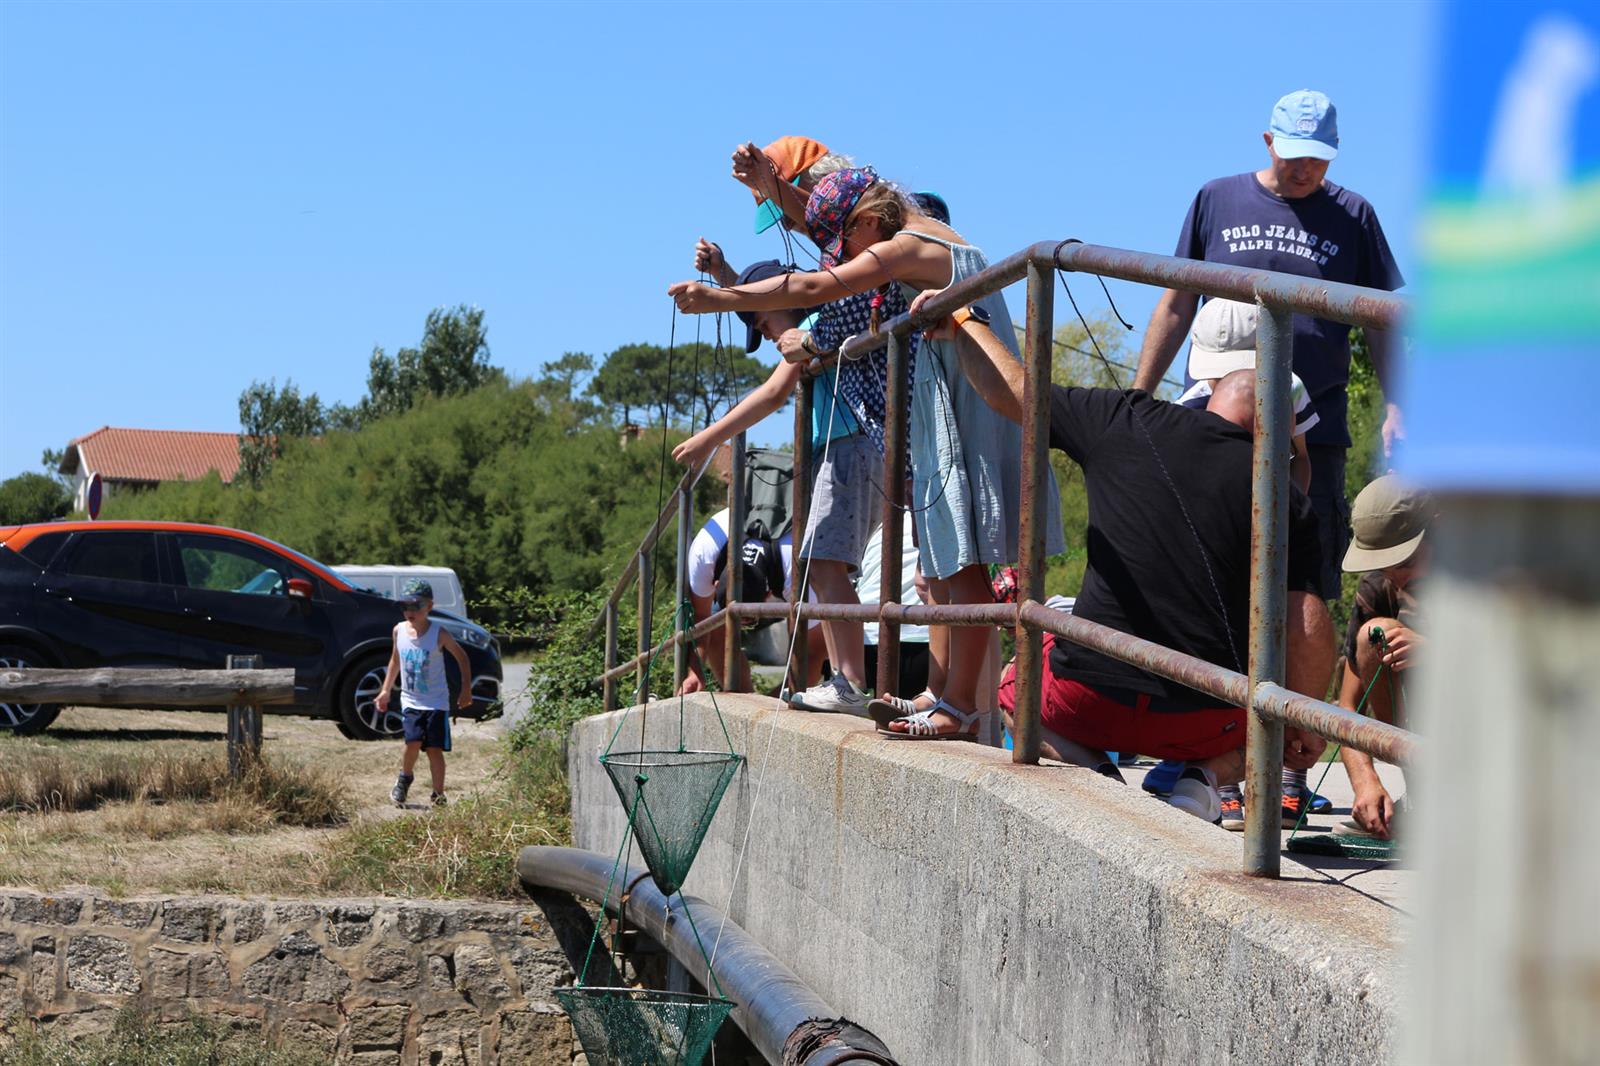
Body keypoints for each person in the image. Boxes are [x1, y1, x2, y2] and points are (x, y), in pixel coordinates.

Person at [669, 167, 1067, 741]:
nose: (840, 259)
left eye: (843, 244)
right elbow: (824, 245)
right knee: (948, 566)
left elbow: (811, 288)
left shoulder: (906, 245)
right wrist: (770, 187)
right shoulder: (906, 233)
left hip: (963, 406)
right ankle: (946, 697)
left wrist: (718, 297)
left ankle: (958, 706)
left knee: (964, 564)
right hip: (948, 404)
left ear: (868, 222)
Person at [927, 300, 1335, 821]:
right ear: (1279, 420)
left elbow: (1016, 393)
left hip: (1088, 699)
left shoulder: (1125, 417)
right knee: (1266, 714)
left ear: (1203, 379)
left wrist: (965, 323)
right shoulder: (1284, 496)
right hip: (1208, 718)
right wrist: (1304, 719)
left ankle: (1098, 778)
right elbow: (1308, 624)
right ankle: (1204, 779)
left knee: (1019, 680)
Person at [1132, 89, 1405, 601]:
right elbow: (1176, 304)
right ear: (1267, 142)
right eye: (1293, 153)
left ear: (1336, 150)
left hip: (1313, 431)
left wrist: (1396, 406)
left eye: (1318, 158)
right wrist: (1140, 394)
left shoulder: (1354, 215)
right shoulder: (1217, 198)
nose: (1305, 168)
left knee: (1303, 580)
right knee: (1205, 573)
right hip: (1215, 424)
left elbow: (1381, 322)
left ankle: (1290, 685)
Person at [671, 256, 877, 712]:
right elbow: (772, 299)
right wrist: (726, 277)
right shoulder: (814, 322)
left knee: (827, 566)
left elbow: (773, 392)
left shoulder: (820, 321)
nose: (764, 335)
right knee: (825, 566)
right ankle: (848, 681)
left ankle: (852, 683)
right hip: (838, 446)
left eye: (761, 324)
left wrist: (707, 440)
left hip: (844, 447)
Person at [1332, 475, 1432, 840]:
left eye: (1405, 559)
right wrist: (1365, 780)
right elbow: (1346, 707)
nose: (1394, 573)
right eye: (1385, 562)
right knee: (1374, 633)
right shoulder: (1380, 589)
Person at [677, 506, 825, 696]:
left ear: (767, 596)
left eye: (750, 621)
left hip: (792, 537)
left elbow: (813, 653)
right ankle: (739, 696)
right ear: (714, 585)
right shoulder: (703, 555)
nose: (742, 625)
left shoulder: (796, 567)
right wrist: (695, 672)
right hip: (733, 531)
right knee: (714, 628)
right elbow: (702, 617)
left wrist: (772, 709)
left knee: (808, 643)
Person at [1175, 298, 1318, 493]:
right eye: (1219, 374)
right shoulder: (1188, 411)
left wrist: (1293, 512)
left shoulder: (1292, 389)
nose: (1227, 379)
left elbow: (1300, 457)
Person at [380, 578, 472, 808]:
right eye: (405, 606)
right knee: (411, 742)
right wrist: (385, 690)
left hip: (436, 702)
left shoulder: (439, 634)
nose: (410, 611)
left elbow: (462, 658)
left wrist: (466, 689)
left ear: (429, 606)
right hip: (411, 700)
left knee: (434, 749)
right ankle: (405, 778)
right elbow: (395, 660)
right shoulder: (398, 631)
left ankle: (438, 794)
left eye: (416, 606)